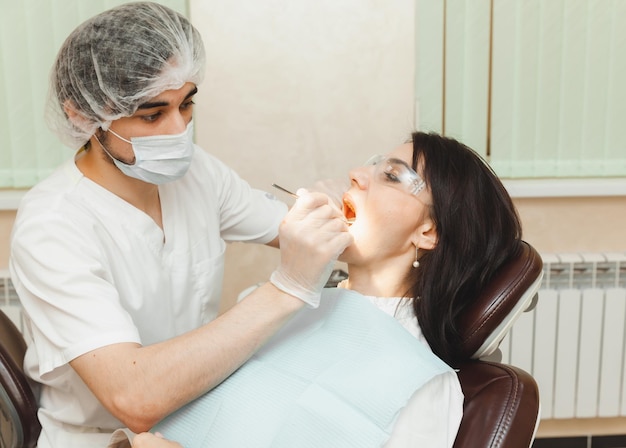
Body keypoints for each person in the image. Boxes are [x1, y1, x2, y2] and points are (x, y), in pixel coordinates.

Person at [8, 3, 352, 447]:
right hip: (103, 437)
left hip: (195, 416)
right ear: (82, 115)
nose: (178, 130)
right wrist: (286, 288)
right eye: (152, 115)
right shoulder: (52, 227)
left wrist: (351, 217)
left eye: (186, 104)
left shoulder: (196, 174)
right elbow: (133, 397)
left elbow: (293, 229)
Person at [111, 131, 523, 448]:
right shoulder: (282, 308)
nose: (356, 175)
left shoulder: (422, 383)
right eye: (371, 165)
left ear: (428, 231)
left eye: (392, 176)